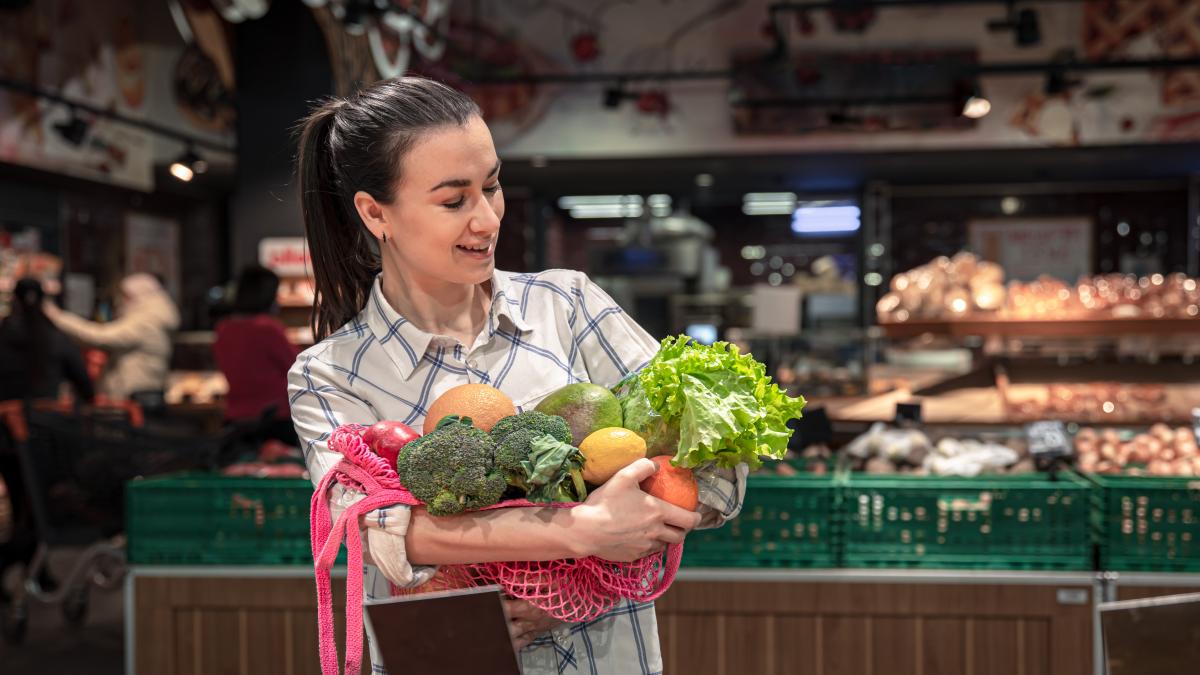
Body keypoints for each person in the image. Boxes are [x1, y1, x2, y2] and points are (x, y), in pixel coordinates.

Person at [288, 77, 748, 675]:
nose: (486, 219)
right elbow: (367, 531)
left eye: (493, 186)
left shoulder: (571, 306)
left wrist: (586, 587)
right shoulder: (329, 375)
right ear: (377, 213)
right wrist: (581, 532)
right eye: (454, 201)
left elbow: (718, 470)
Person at [0, 278, 95, 602]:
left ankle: (36, 570)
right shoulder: (54, 337)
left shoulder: (4, 335)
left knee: (24, 507)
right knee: (39, 510)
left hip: (5, 437)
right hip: (44, 439)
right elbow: (84, 384)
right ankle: (26, 566)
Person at [43, 273, 180, 406]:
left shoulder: (147, 321)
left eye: (126, 296)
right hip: (140, 393)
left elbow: (100, 336)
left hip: (136, 396)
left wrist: (57, 316)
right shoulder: (153, 317)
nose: (121, 302)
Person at [213, 265, 300, 445]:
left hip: (236, 417)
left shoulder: (223, 328)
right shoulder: (268, 328)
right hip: (275, 419)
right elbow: (296, 367)